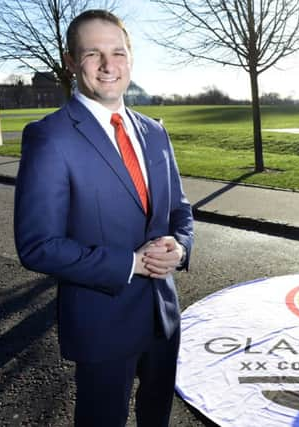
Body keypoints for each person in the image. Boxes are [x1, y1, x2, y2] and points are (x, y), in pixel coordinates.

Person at [13, 10, 194, 427]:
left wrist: (180, 246)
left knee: (157, 418)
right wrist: (132, 263)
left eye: (118, 52)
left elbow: (180, 210)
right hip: (103, 321)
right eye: (93, 54)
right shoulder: (50, 136)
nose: (109, 65)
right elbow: (38, 244)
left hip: (164, 315)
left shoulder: (154, 131)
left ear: (130, 58)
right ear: (72, 62)